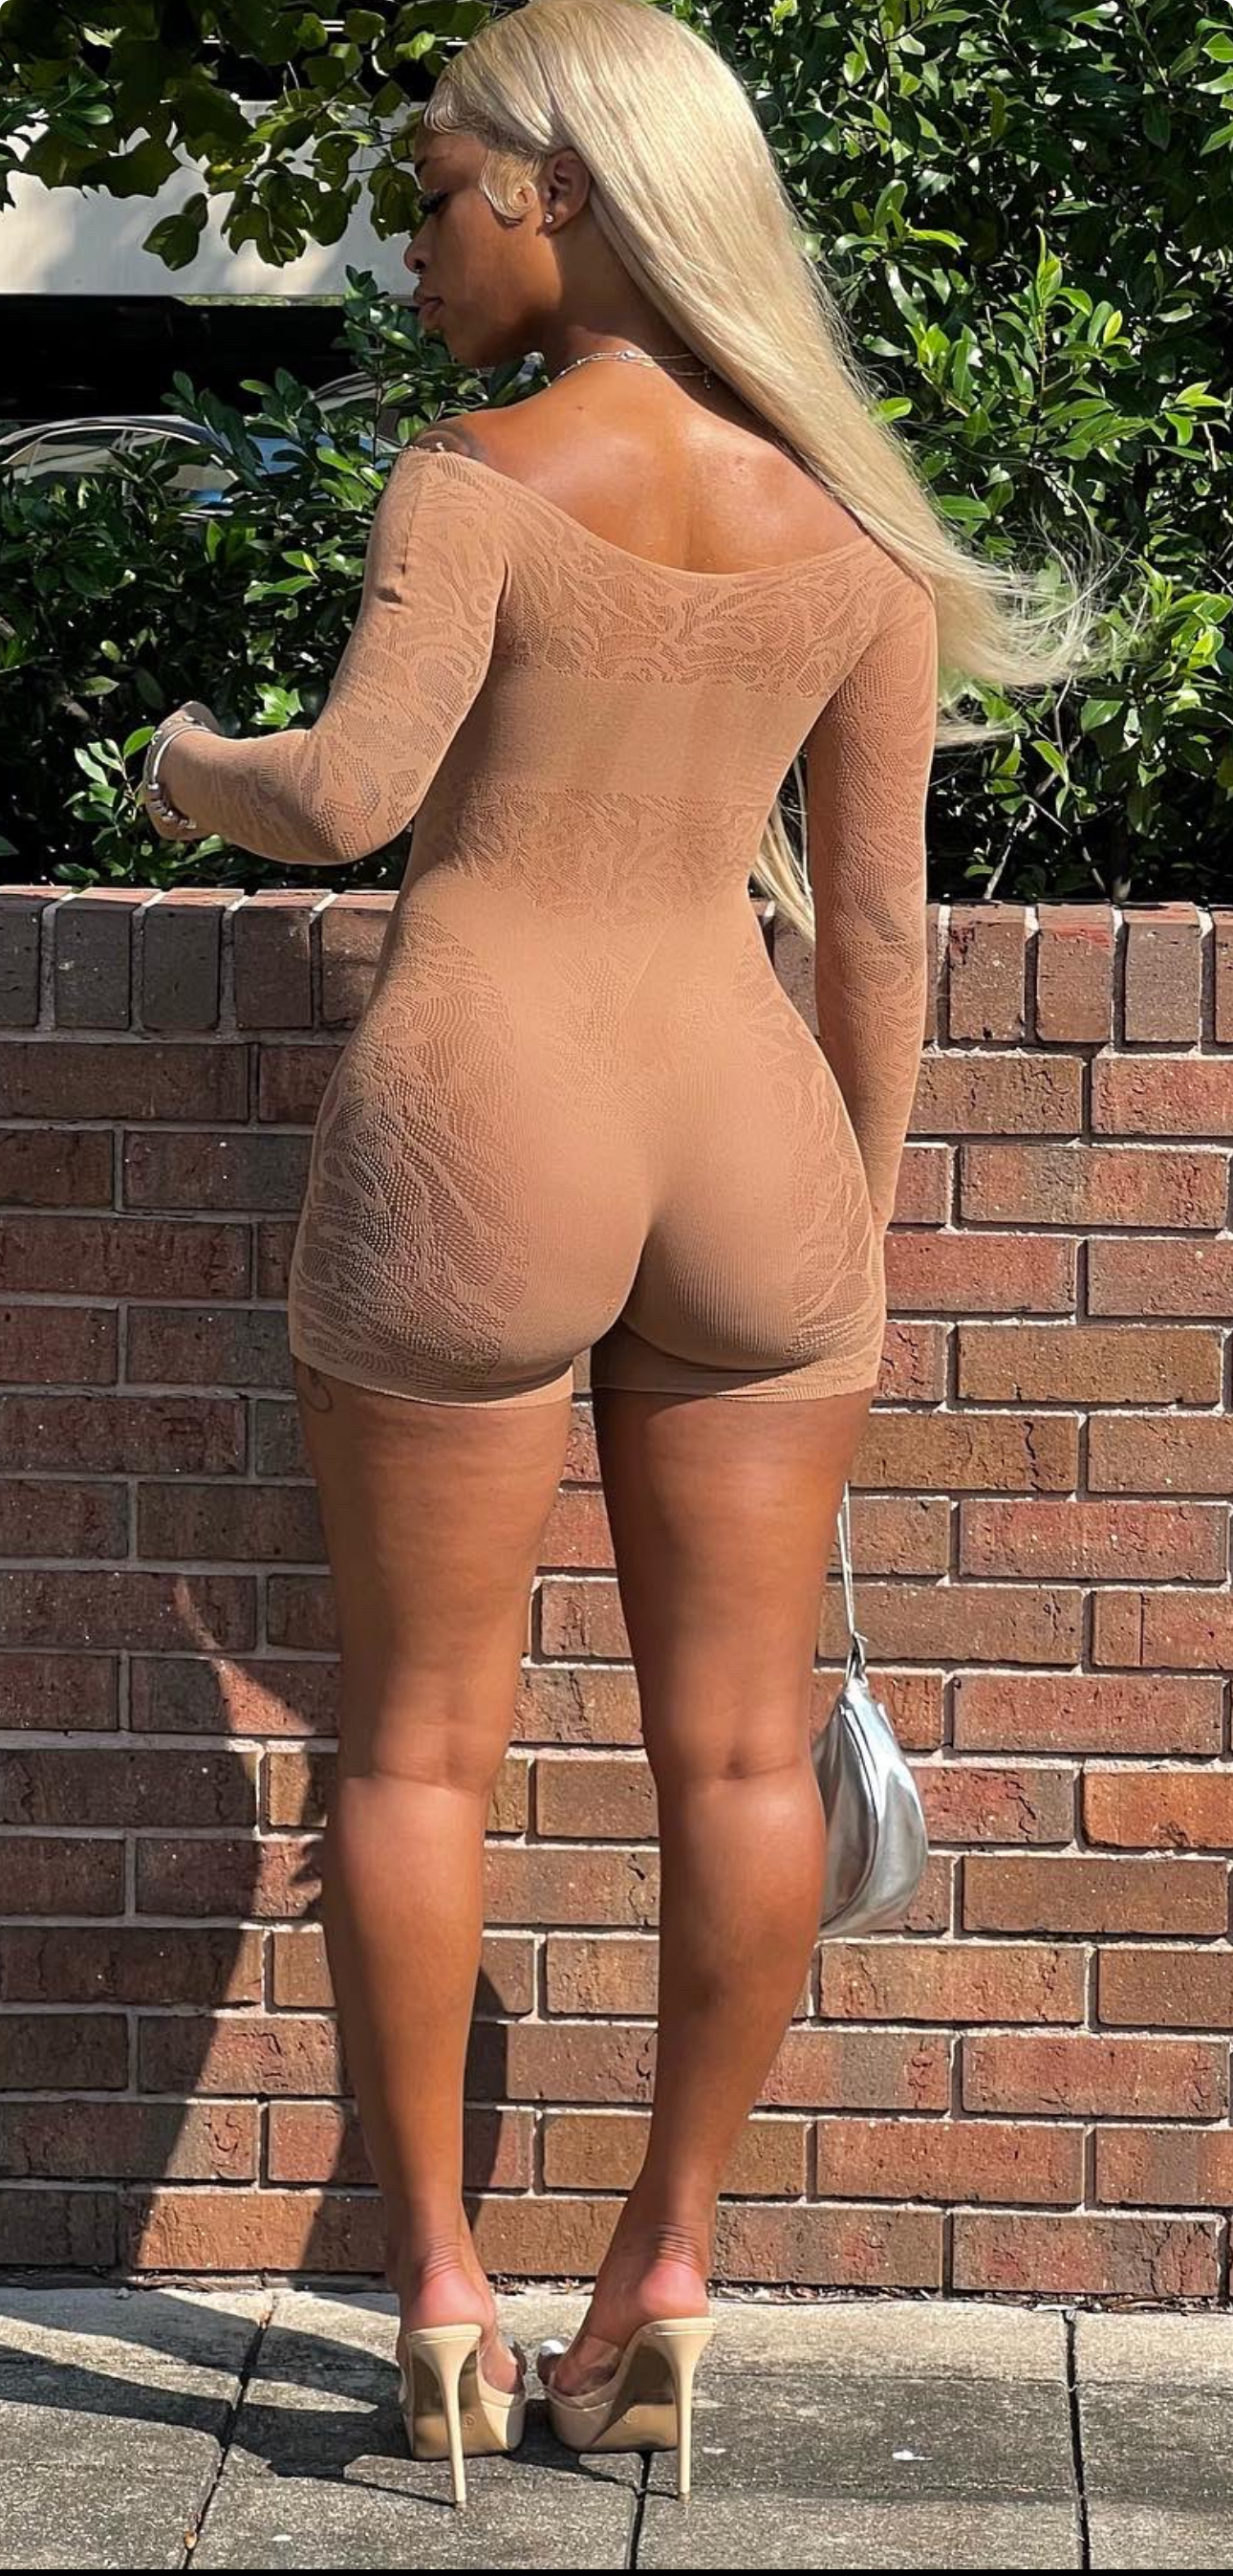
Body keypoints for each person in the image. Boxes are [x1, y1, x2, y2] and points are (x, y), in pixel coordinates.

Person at [142, 0, 1096, 2511]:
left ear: (558, 191)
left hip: (490, 1113)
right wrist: (848, 1221)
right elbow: (873, 930)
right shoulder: (849, 527)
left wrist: (182, 760)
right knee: (745, 1753)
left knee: (415, 1746)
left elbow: (343, 798)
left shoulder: (470, 484)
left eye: (436, 190)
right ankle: (661, 2280)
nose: (412, 239)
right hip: (754, 1139)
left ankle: (447, 2307)